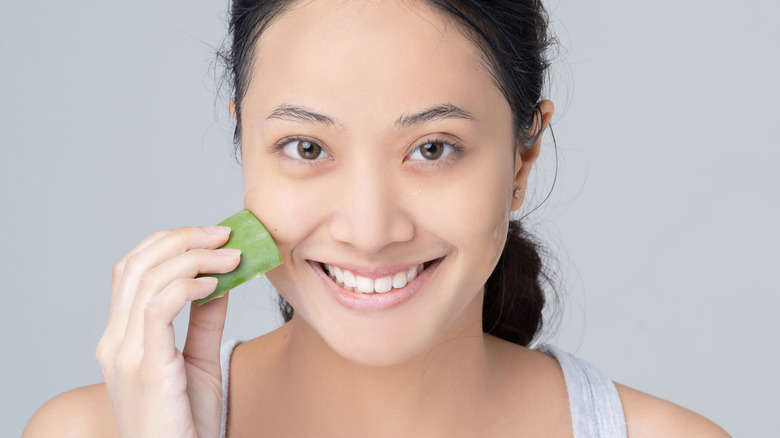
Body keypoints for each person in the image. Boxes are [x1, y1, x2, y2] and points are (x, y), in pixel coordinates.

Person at [24, 0, 730, 436]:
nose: (368, 227)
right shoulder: (88, 433)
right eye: (306, 147)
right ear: (244, 144)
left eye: (432, 148)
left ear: (521, 159)